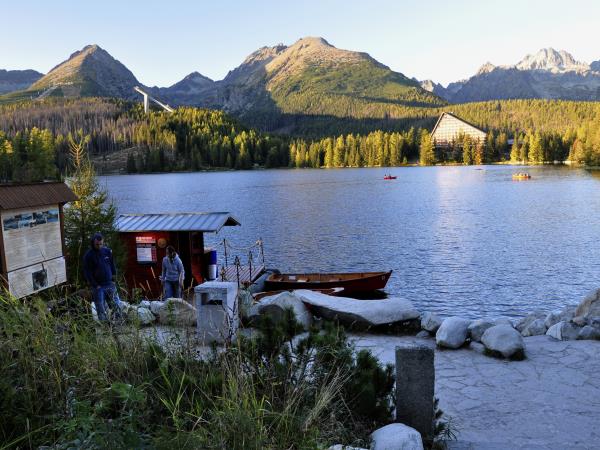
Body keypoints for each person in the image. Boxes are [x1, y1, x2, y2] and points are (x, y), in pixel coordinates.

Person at [83, 232, 122, 322]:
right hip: (98, 286)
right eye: (97, 244)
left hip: (109, 283)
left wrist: (114, 278)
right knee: (100, 307)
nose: (99, 246)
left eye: (101, 244)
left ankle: (118, 322)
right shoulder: (88, 255)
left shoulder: (107, 251)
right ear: (93, 242)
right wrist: (95, 285)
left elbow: (112, 265)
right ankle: (105, 325)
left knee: (116, 304)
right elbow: (87, 272)